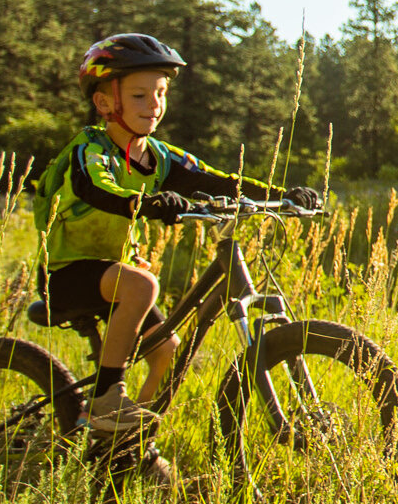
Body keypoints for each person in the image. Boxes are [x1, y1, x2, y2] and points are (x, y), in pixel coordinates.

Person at [30, 33, 320, 438]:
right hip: (65, 273)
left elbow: (216, 180)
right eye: (139, 95)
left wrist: (281, 194)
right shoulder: (90, 148)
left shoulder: (159, 156)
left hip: (114, 274)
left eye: (161, 93)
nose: (154, 104)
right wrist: (145, 203)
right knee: (143, 283)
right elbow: (95, 188)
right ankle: (104, 400)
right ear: (104, 102)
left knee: (167, 351)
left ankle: (122, 440)